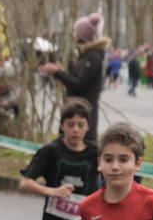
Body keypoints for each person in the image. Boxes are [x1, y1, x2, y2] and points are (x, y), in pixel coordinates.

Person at [38, 13, 107, 141]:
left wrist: (57, 73)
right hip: (76, 110)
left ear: (82, 36)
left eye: (76, 32)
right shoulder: (86, 56)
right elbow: (78, 79)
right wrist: (61, 71)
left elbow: (79, 84)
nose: (74, 35)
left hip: (83, 113)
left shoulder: (92, 58)